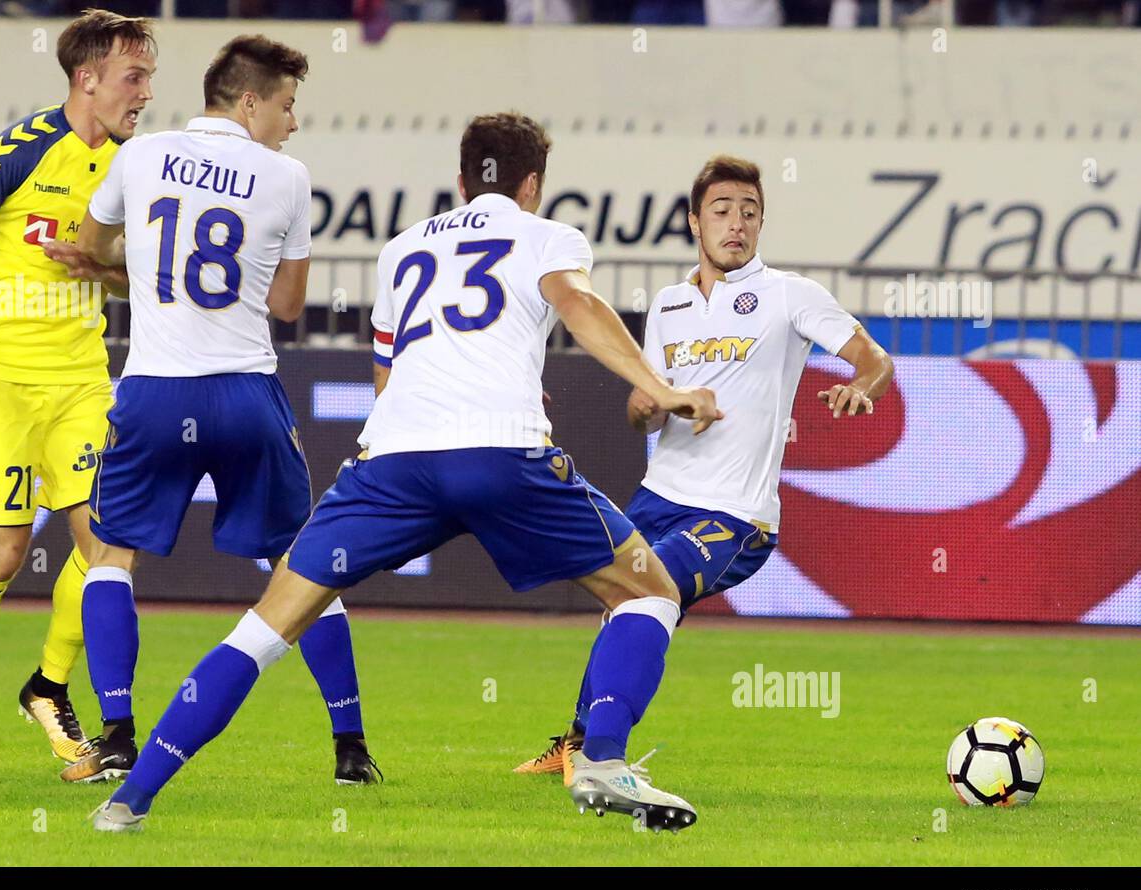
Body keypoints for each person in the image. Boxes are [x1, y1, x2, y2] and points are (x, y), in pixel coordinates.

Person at [89, 112, 721, 833]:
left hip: (390, 464)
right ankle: (603, 760)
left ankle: (130, 798)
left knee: (265, 627)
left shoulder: (400, 250)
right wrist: (661, 386)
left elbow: (389, 376)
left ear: (460, 179)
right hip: (500, 456)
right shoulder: (547, 236)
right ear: (534, 184)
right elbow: (577, 305)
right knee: (648, 593)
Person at [62, 35, 378, 787]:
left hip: (153, 390)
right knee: (300, 564)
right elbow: (290, 306)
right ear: (248, 102)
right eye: (286, 105)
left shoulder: (139, 157)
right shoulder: (287, 177)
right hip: (243, 391)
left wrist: (126, 271)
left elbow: (90, 242)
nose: (292, 123)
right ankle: (351, 749)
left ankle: (114, 735)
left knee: (110, 559)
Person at [515, 155, 894, 779]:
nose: (736, 224)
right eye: (722, 211)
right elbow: (648, 410)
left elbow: (874, 359)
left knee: (644, 591)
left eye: (749, 212)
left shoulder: (789, 295)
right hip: (659, 495)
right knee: (624, 609)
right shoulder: (667, 305)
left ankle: (602, 759)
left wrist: (863, 387)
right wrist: (646, 406)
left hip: (734, 514)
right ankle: (580, 744)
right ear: (695, 222)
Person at [0, 9, 156, 773]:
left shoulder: (136, 167)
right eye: (133, 77)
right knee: (6, 553)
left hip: (81, 380)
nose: (144, 94)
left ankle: (49, 687)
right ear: (87, 79)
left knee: (110, 546)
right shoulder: (16, 151)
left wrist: (103, 270)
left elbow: (138, 275)